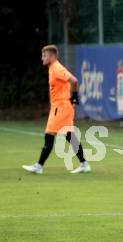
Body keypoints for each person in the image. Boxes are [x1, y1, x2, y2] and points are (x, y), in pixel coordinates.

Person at [22, 45, 90, 175]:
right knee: (69, 135)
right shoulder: (54, 68)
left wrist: (74, 97)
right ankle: (84, 164)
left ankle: (39, 166)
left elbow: (74, 80)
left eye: (44, 55)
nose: (42, 58)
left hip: (61, 106)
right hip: (62, 106)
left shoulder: (57, 68)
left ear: (52, 56)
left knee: (49, 134)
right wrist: (73, 100)